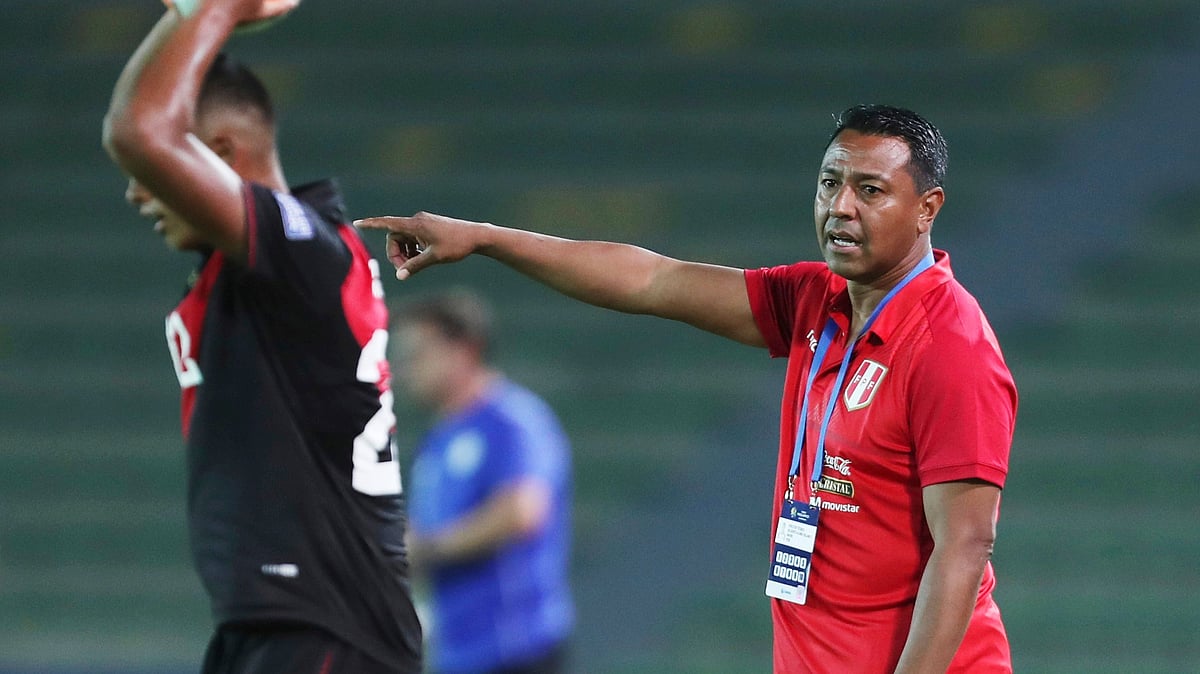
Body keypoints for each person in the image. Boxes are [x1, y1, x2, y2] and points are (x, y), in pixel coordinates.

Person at [357, 105, 1017, 673]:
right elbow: (652, 280)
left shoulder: (949, 347)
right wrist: (483, 239)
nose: (840, 206)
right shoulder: (816, 300)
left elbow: (964, 546)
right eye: (829, 183)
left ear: (928, 207)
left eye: (870, 190)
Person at [101, 1, 422, 671]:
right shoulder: (272, 266)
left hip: (325, 629)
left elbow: (136, 131)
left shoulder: (303, 251)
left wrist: (216, 7)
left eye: (153, 179)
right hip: (284, 624)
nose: (137, 194)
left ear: (217, 154)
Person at [392, 290, 574, 674]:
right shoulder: (438, 440)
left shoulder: (512, 420)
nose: (407, 369)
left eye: (418, 354)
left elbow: (523, 510)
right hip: (459, 655)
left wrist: (429, 549)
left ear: (464, 350)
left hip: (518, 650)